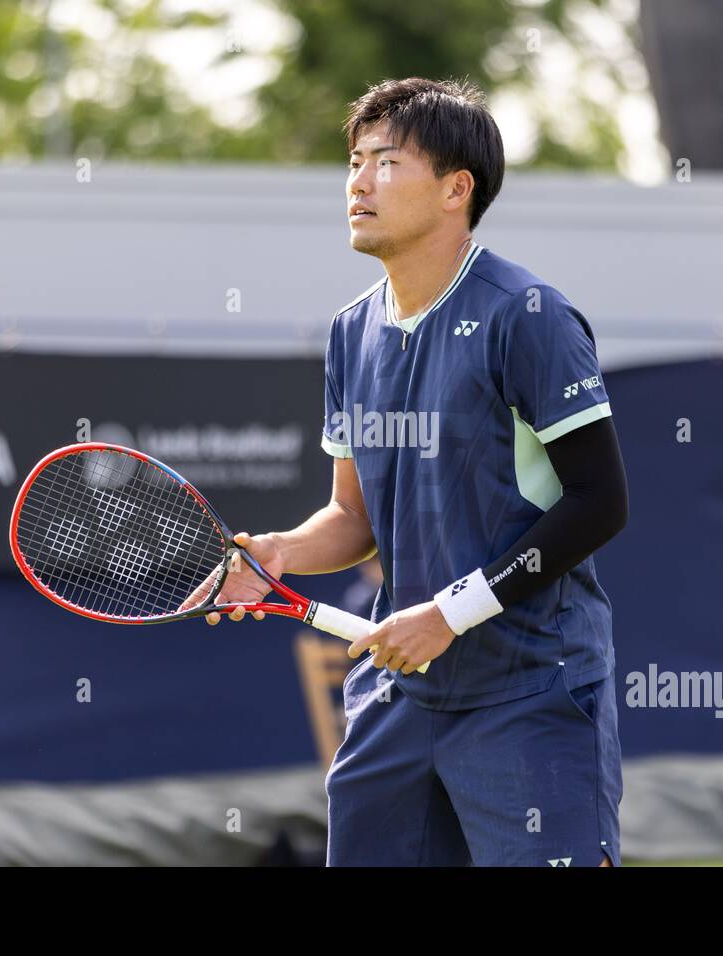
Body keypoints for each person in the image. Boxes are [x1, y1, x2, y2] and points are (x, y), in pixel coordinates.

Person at [202, 77, 629, 867]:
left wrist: (450, 613)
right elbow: (354, 519)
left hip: (530, 693)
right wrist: (282, 553)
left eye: (386, 162)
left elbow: (600, 502)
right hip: (398, 702)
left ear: (454, 190)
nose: (357, 183)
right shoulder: (350, 331)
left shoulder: (529, 317)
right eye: (355, 161)